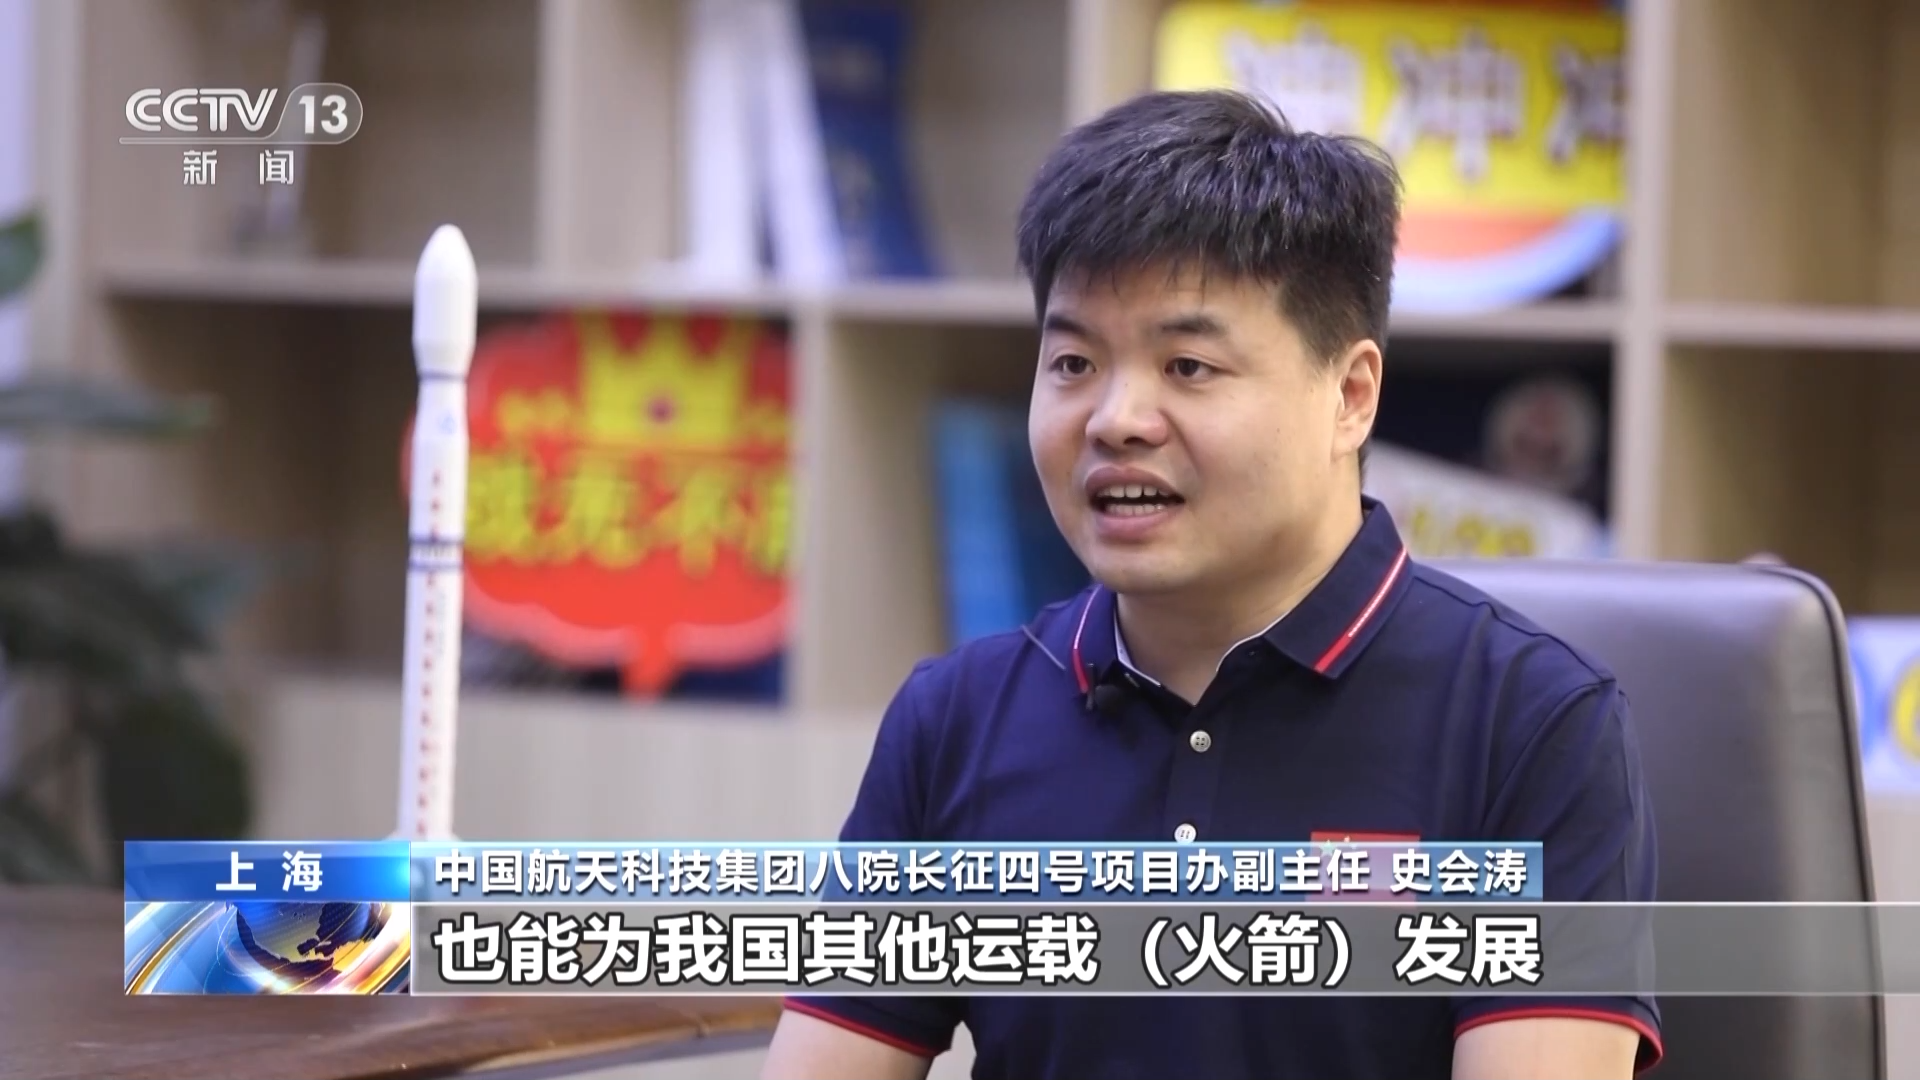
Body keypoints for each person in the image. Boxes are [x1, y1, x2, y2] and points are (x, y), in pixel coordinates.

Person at [762, 88, 1660, 1080]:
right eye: (1073, 362)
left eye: (1188, 366)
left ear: (1350, 395)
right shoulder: (956, 720)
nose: (1116, 419)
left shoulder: (1531, 725)